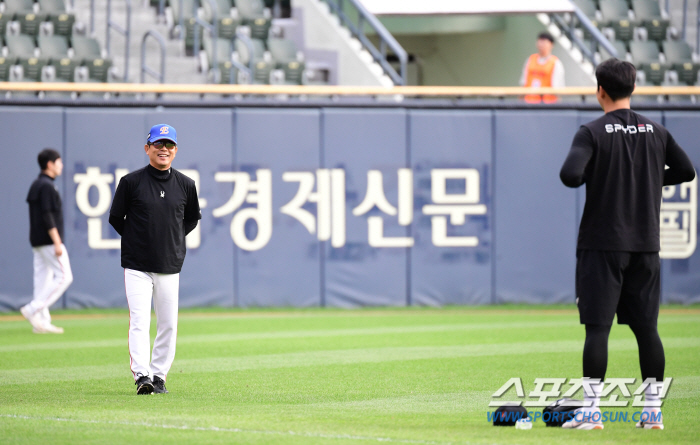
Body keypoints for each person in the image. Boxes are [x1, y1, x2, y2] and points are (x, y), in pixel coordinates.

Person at [559, 58, 695, 430]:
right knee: (647, 329)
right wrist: (648, 180)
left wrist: (602, 175)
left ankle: (591, 413)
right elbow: (686, 171)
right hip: (646, 245)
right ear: (632, 89)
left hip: (602, 244)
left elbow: (570, 175)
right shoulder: (657, 131)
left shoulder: (591, 132)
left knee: (597, 329)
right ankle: (652, 413)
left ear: (599, 91)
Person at [109, 124, 201, 395]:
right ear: (147, 148)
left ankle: (159, 375)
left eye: (169, 145)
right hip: (137, 265)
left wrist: (171, 239)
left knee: (168, 323)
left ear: (176, 150)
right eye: (159, 144)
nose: (164, 149)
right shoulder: (131, 182)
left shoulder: (186, 184)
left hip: (169, 265)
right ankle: (142, 376)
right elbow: (116, 217)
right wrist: (138, 240)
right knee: (139, 320)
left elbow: (191, 218)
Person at [21, 149, 73, 334]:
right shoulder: (46, 186)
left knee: (42, 282)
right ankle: (33, 309)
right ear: (50, 164)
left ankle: (41, 323)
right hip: (50, 241)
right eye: (59, 162)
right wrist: (57, 241)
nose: (61, 165)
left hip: (38, 241)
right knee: (65, 276)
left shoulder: (37, 184)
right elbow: (47, 214)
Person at [520, 31, 565, 103]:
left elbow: (557, 90)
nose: (541, 44)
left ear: (551, 45)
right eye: (540, 41)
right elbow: (523, 83)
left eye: (544, 42)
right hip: (529, 103)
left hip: (547, 105)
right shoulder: (530, 60)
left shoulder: (555, 63)